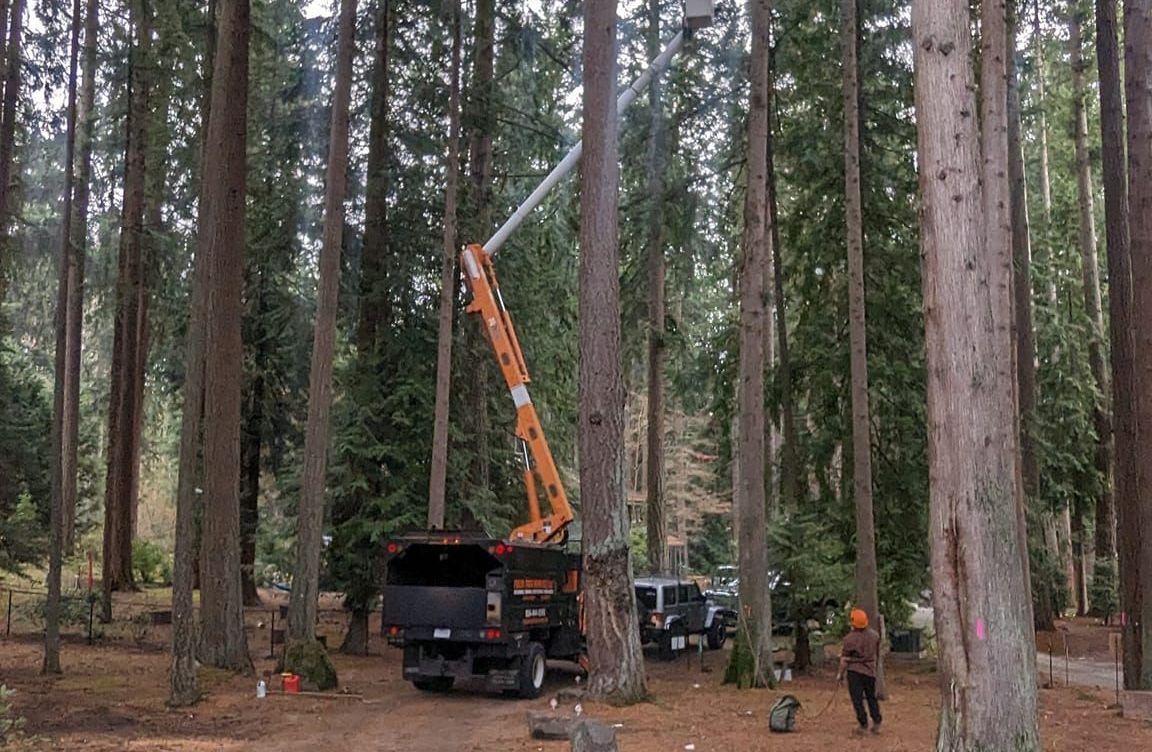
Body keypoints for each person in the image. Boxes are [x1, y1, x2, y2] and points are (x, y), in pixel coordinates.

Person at [836, 608, 882, 735]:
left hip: (854, 672)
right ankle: (877, 721)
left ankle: (863, 724)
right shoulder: (875, 636)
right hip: (870, 672)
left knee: (857, 699)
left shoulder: (848, 639)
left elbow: (844, 659)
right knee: (871, 697)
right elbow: (877, 653)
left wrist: (840, 674)